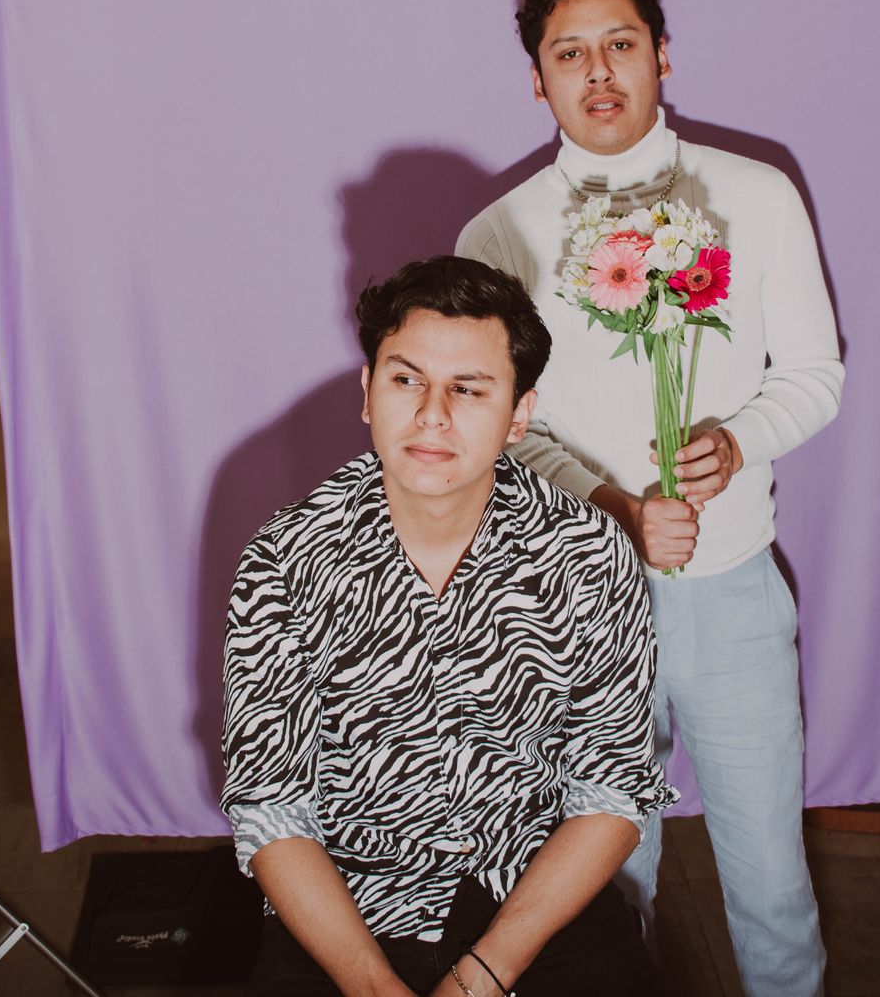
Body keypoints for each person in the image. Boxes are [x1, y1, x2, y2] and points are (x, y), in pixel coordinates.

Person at [457, 0, 843, 997]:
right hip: (579, 604)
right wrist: (613, 507)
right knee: (598, 891)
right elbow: (499, 427)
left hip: (731, 594)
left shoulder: (755, 193)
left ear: (662, 54)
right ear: (537, 78)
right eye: (568, 53)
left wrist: (738, 439)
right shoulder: (499, 231)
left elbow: (814, 375)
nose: (598, 72)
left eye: (620, 44)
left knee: (770, 882)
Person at [222, 255, 672, 997]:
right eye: (406, 380)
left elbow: (610, 794)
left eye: (468, 388)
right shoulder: (285, 558)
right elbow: (272, 809)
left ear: (519, 414)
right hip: (345, 910)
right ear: (367, 392)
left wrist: (483, 975)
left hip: (532, 899)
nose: (432, 413)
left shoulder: (589, 554)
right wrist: (374, 987)